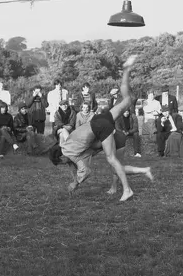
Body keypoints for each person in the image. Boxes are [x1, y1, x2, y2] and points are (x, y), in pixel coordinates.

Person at [60, 55, 150, 202]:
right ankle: (126, 69)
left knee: (112, 160)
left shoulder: (71, 152)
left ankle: (127, 190)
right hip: (100, 121)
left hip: (99, 124)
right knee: (113, 160)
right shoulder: (126, 101)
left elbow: (81, 167)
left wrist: (75, 183)